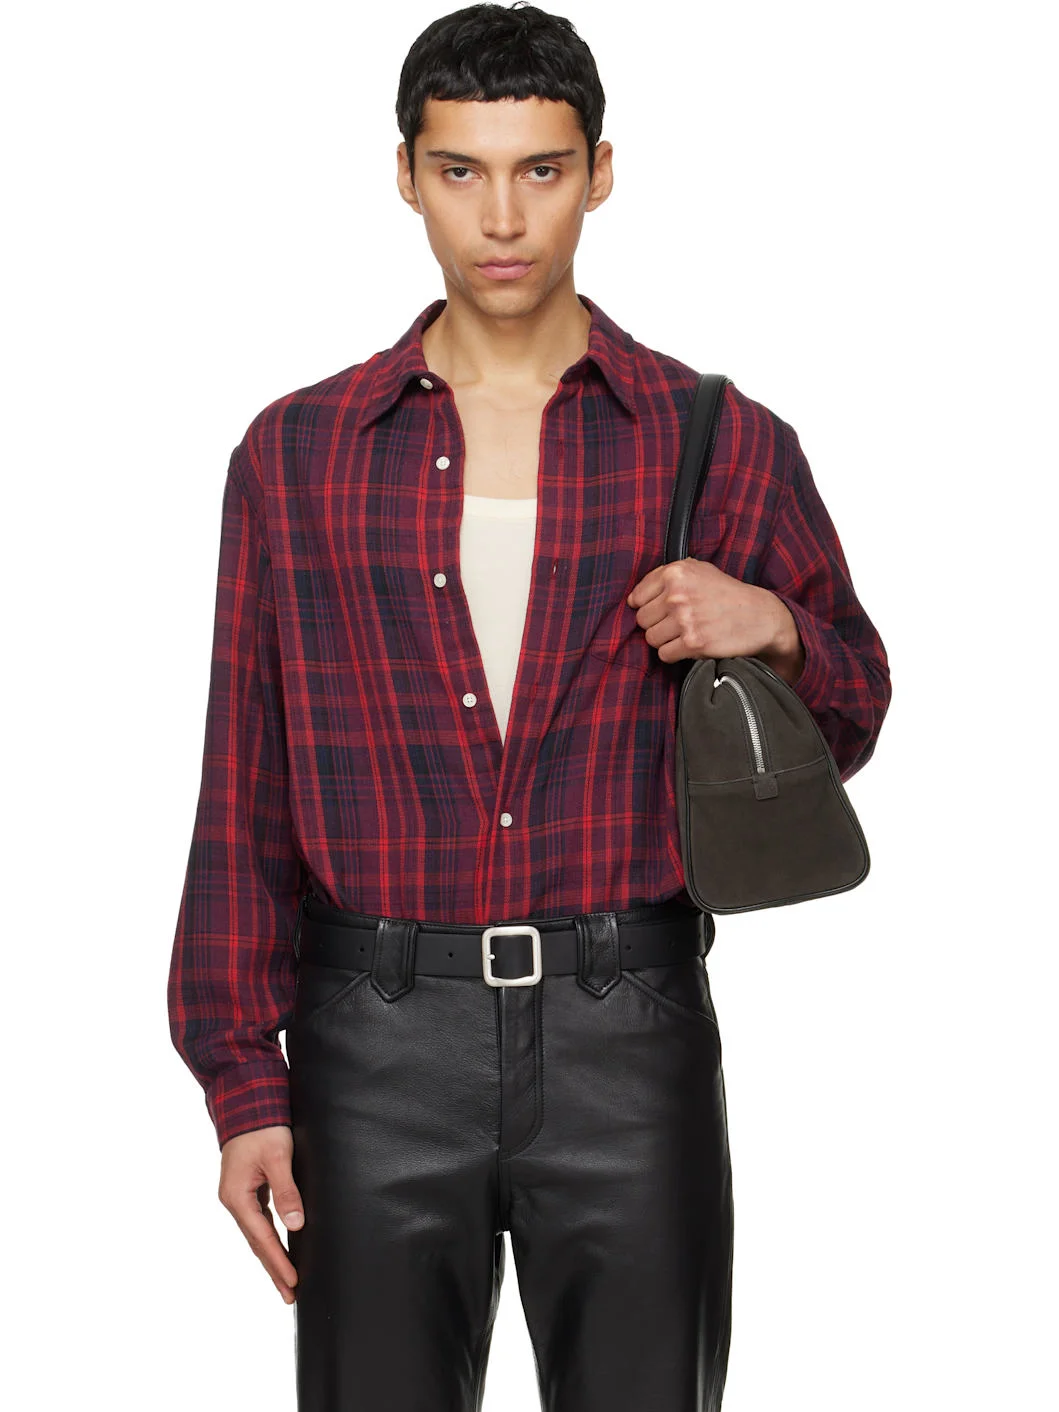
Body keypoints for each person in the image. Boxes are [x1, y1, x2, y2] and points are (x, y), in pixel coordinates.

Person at [167, 4, 892, 1409]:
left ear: (599, 172)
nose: (501, 218)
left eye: (540, 170)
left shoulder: (718, 437)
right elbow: (241, 788)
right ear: (406, 175)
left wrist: (775, 628)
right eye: (461, 170)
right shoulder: (299, 453)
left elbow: (854, 706)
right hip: (373, 1039)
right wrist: (241, 1081)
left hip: (629, 1030)